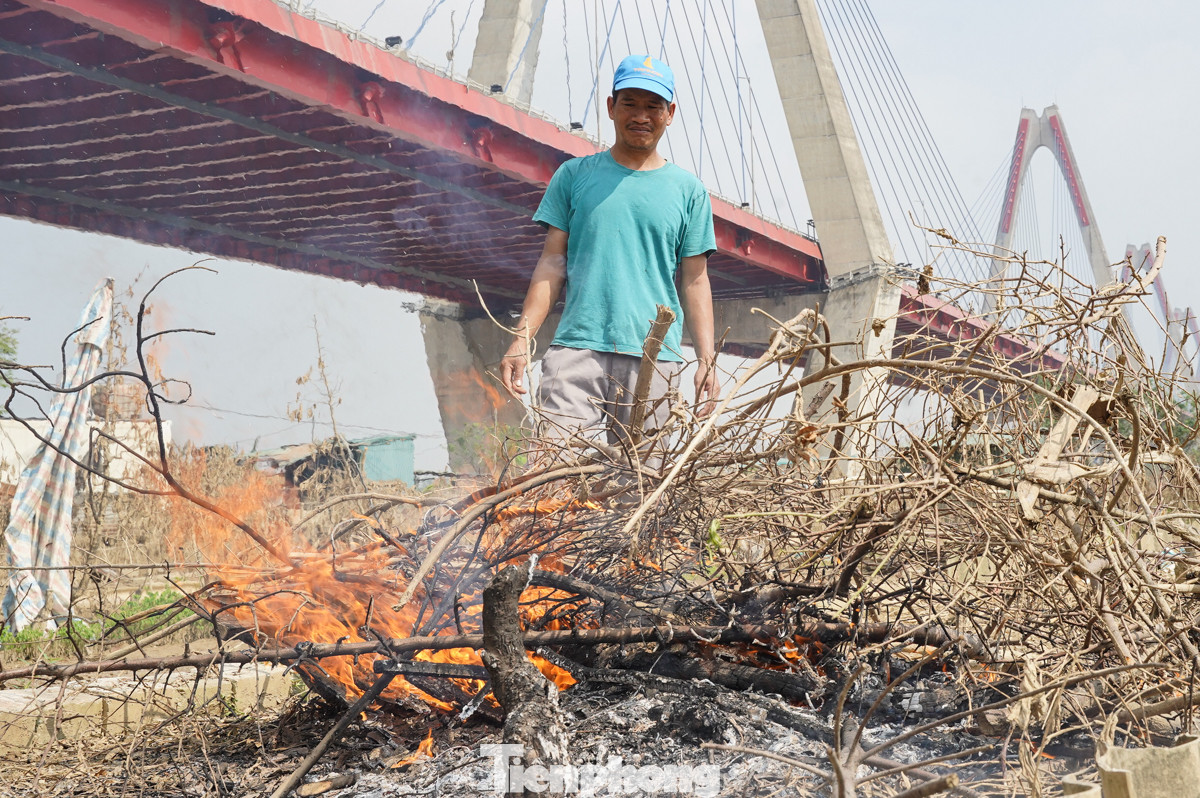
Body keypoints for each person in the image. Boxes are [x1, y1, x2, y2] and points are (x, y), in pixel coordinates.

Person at [498, 54, 718, 446]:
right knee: (552, 474)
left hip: (655, 356)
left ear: (670, 113)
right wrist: (521, 339)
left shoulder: (689, 191)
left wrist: (706, 360)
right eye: (630, 103)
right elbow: (551, 264)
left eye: (653, 106)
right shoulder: (573, 176)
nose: (641, 115)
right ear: (611, 107)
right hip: (576, 348)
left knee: (640, 486)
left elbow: (696, 280)